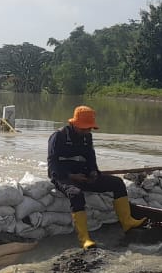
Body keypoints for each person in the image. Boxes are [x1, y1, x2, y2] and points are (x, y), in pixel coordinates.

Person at [47, 105, 145, 249]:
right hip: (63, 177)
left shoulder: (87, 137)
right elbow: (52, 165)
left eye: (89, 128)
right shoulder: (59, 136)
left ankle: (127, 222)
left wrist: (93, 172)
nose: (87, 131)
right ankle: (84, 238)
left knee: (117, 183)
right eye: (84, 128)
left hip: (84, 175)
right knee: (76, 194)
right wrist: (71, 176)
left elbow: (90, 158)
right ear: (73, 123)